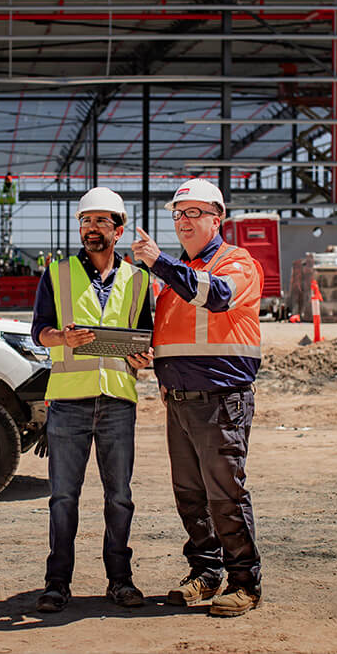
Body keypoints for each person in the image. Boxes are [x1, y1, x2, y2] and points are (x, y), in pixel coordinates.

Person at [130, 177, 264, 617]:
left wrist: (160, 263)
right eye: (178, 214)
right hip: (180, 400)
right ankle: (205, 573)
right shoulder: (170, 280)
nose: (184, 222)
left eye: (194, 214)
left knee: (225, 493)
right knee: (189, 493)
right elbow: (171, 335)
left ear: (217, 218)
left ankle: (244, 582)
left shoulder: (236, 263)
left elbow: (216, 297)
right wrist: (147, 356)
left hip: (222, 398)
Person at [31, 186, 154, 613]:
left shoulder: (139, 280)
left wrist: (144, 355)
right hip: (68, 402)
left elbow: (144, 338)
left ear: (118, 230)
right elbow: (39, 331)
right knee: (64, 497)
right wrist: (61, 337)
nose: (92, 229)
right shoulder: (58, 272)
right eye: (86, 221)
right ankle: (56, 583)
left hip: (118, 401)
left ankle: (120, 581)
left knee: (119, 496)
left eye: (102, 222)